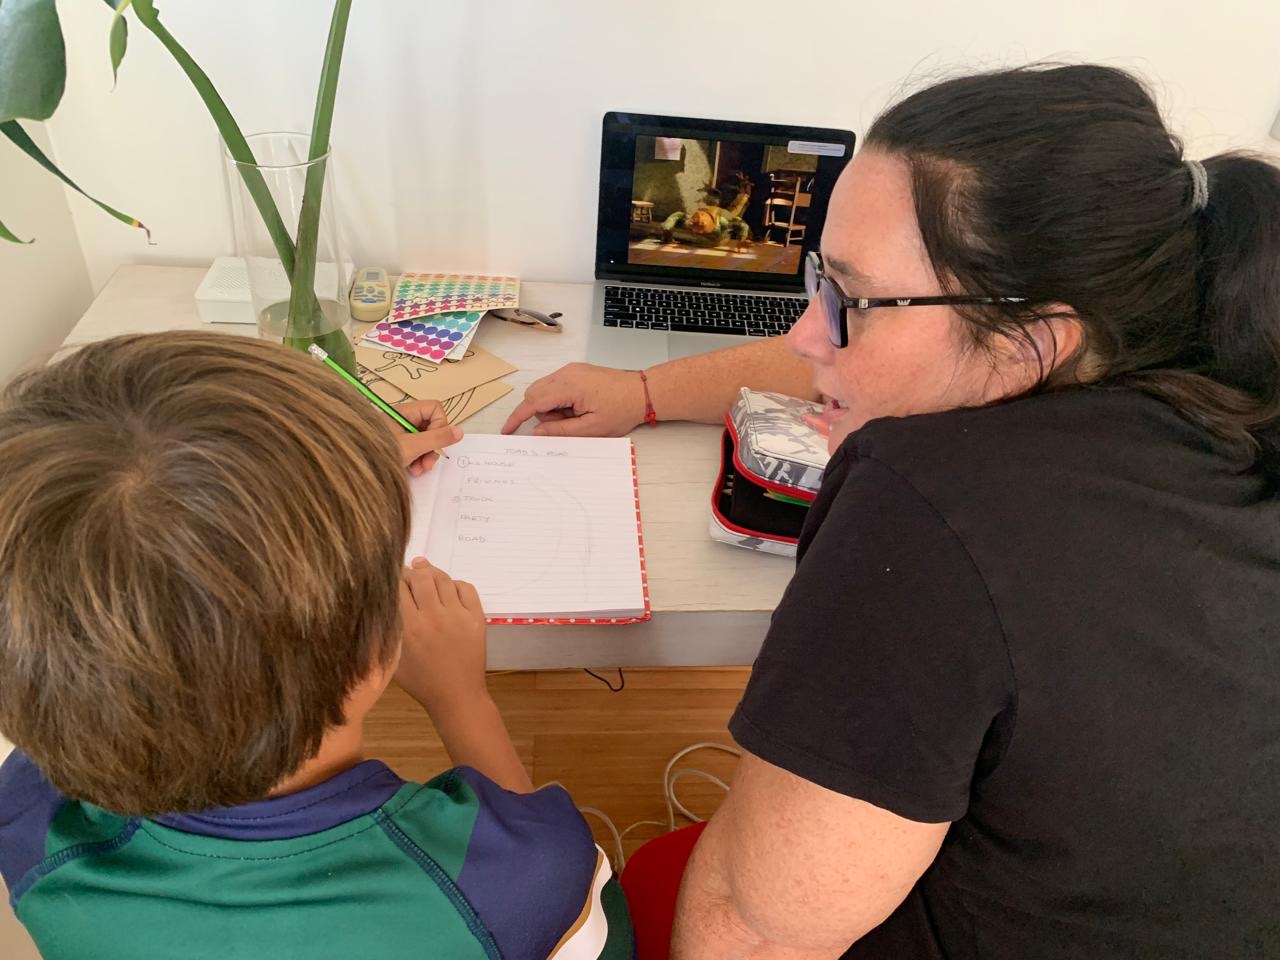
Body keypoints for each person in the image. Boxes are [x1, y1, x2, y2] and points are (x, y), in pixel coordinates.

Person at [514, 64, 1280, 958]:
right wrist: (645, 391)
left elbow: (750, 936)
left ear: (1033, 344)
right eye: (819, 278)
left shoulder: (930, 504)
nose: (806, 334)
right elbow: (881, 347)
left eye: (850, 299)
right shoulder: (1219, 387)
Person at [0, 332, 633, 960]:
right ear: (374, 652)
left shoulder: (29, 818)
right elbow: (568, 896)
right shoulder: (518, 882)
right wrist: (462, 701)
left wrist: (334, 472)